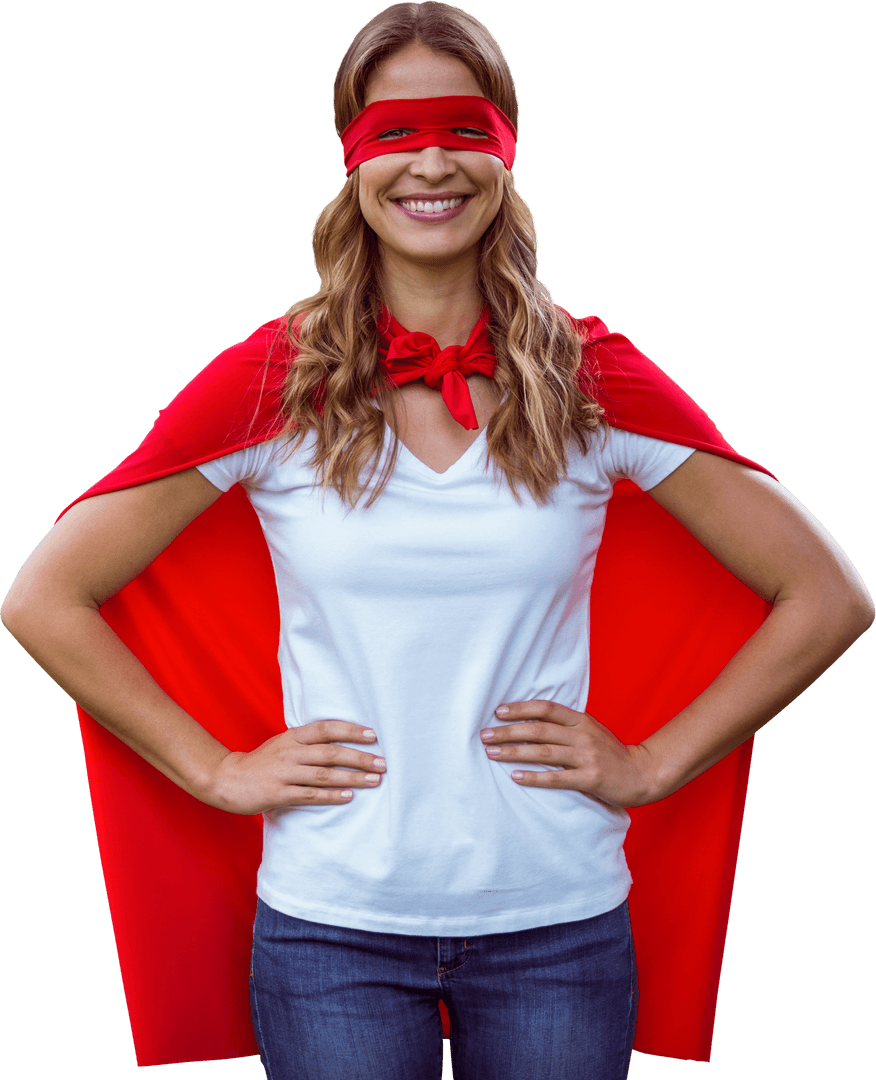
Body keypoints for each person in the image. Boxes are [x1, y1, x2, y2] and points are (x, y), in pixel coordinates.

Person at [2, 3, 872, 1079]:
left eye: (463, 129)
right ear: (351, 163)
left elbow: (827, 595)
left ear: (506, 154)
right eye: (394, 132)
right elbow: (44, 597)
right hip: (332, 928)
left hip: (558, 924)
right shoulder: (276, 380)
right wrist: (215, 769)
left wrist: (652, 764)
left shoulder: (590, 379)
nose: (430, 163)